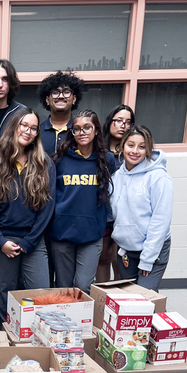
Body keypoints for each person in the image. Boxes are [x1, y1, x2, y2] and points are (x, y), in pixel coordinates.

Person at [0, 109, 56, 324]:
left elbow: (47, 208)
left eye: (33, 128)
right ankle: (8, 340)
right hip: (3, 241)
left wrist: (31, 241)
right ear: (14, 126)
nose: (28, 131)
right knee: (7, 293)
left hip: (34, 240)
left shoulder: (44, 163)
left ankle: (38, 344)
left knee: (40, 295)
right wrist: (0, 241)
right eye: (24, 125)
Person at [49, 110, 117, 294]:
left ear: (96, 130)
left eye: (87, 127)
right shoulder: (60, 159)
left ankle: (82, 322)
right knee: (63, 288)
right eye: (76, 128)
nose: (82, 132)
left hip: (92, 234)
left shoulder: (106, 159)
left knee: (83, 286)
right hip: (62, 233)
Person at [111, 125, 173, 291]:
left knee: (145, 298)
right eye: (130, 145)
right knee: (130, 298)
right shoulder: (117, 176)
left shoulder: (159, 177)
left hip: (153, 249)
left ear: (148, 150)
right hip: (126, 249)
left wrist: (147, 259)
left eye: (142, 146)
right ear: (122, 146)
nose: (135, 151)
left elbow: (160, 221)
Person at [96, 104, 136, 282]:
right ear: (110, 121)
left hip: (126, 215)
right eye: (118, 120)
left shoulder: (133, 152)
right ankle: (103, 301)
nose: (123, 125)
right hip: (103, 211)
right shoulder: (98, 148)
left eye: (128, 122)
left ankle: (121, 303)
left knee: (119, 260)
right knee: (102, 258)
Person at [38, 70, 84, 157]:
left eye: (66, 92)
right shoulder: (37, 132)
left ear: (74, 99)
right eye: (55, 92)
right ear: (47, 100)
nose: (61, 96)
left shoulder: (81, 132)